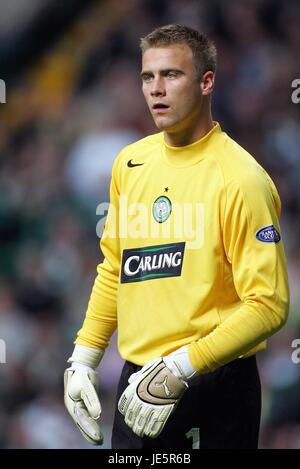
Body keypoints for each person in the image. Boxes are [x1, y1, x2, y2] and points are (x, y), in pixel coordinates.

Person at [64, 24, 289, 449]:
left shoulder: (241, 179)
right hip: (138, 380)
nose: (156, 90)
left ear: (206, 82)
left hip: (215, 379)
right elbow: (115, 266)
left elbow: (268, 304)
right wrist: (83, 357)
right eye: (148, 77)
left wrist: (183, 366)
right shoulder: (130, 163)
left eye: (172, 75)